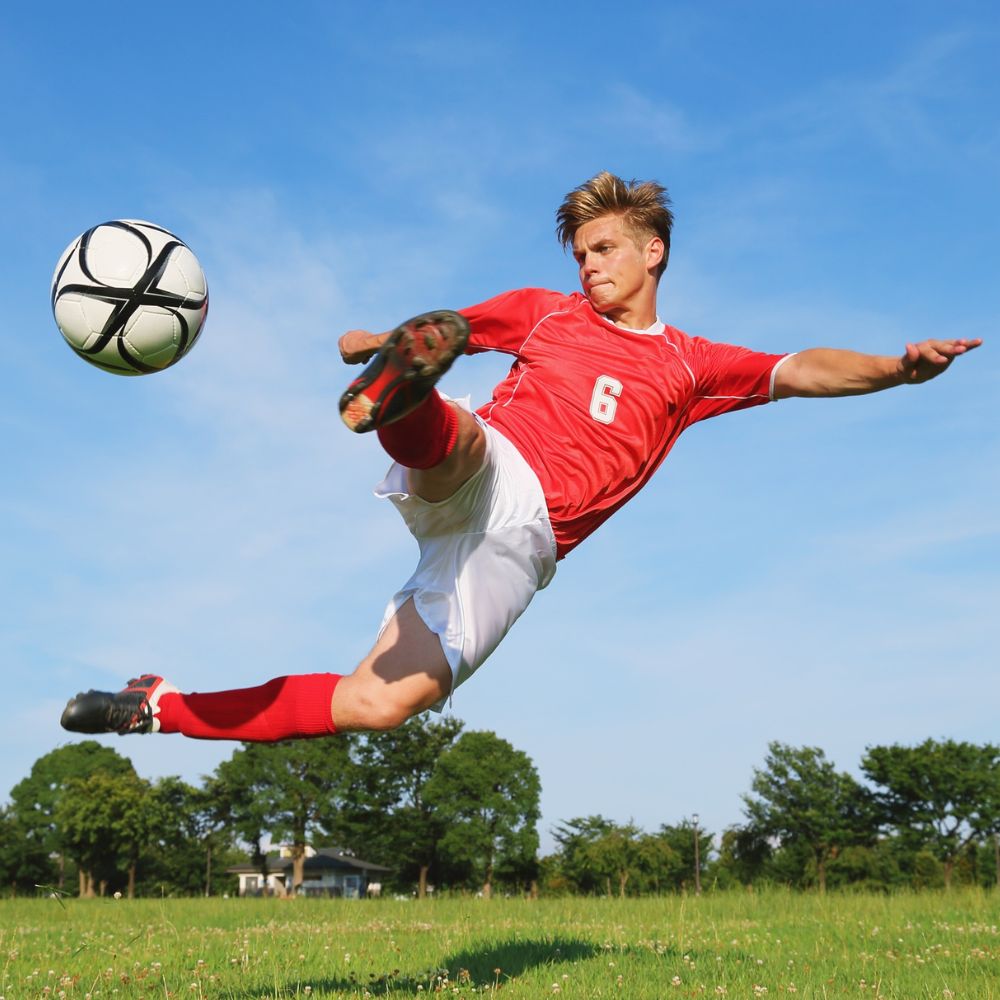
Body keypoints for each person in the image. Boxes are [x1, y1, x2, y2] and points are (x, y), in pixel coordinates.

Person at [60, 171, 981, 741]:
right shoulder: (548, 310)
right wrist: (392, 343)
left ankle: (156, 705)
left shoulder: (694, 364)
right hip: (497, 464)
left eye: (606, 247)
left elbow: (801, 367)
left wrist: (897, 371)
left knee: (377, 705)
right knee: (458, 443)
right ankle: (402, 404)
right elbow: (455, 326)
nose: (589, 264)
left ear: (654, 250)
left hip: (523, 553)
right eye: (581, 251)